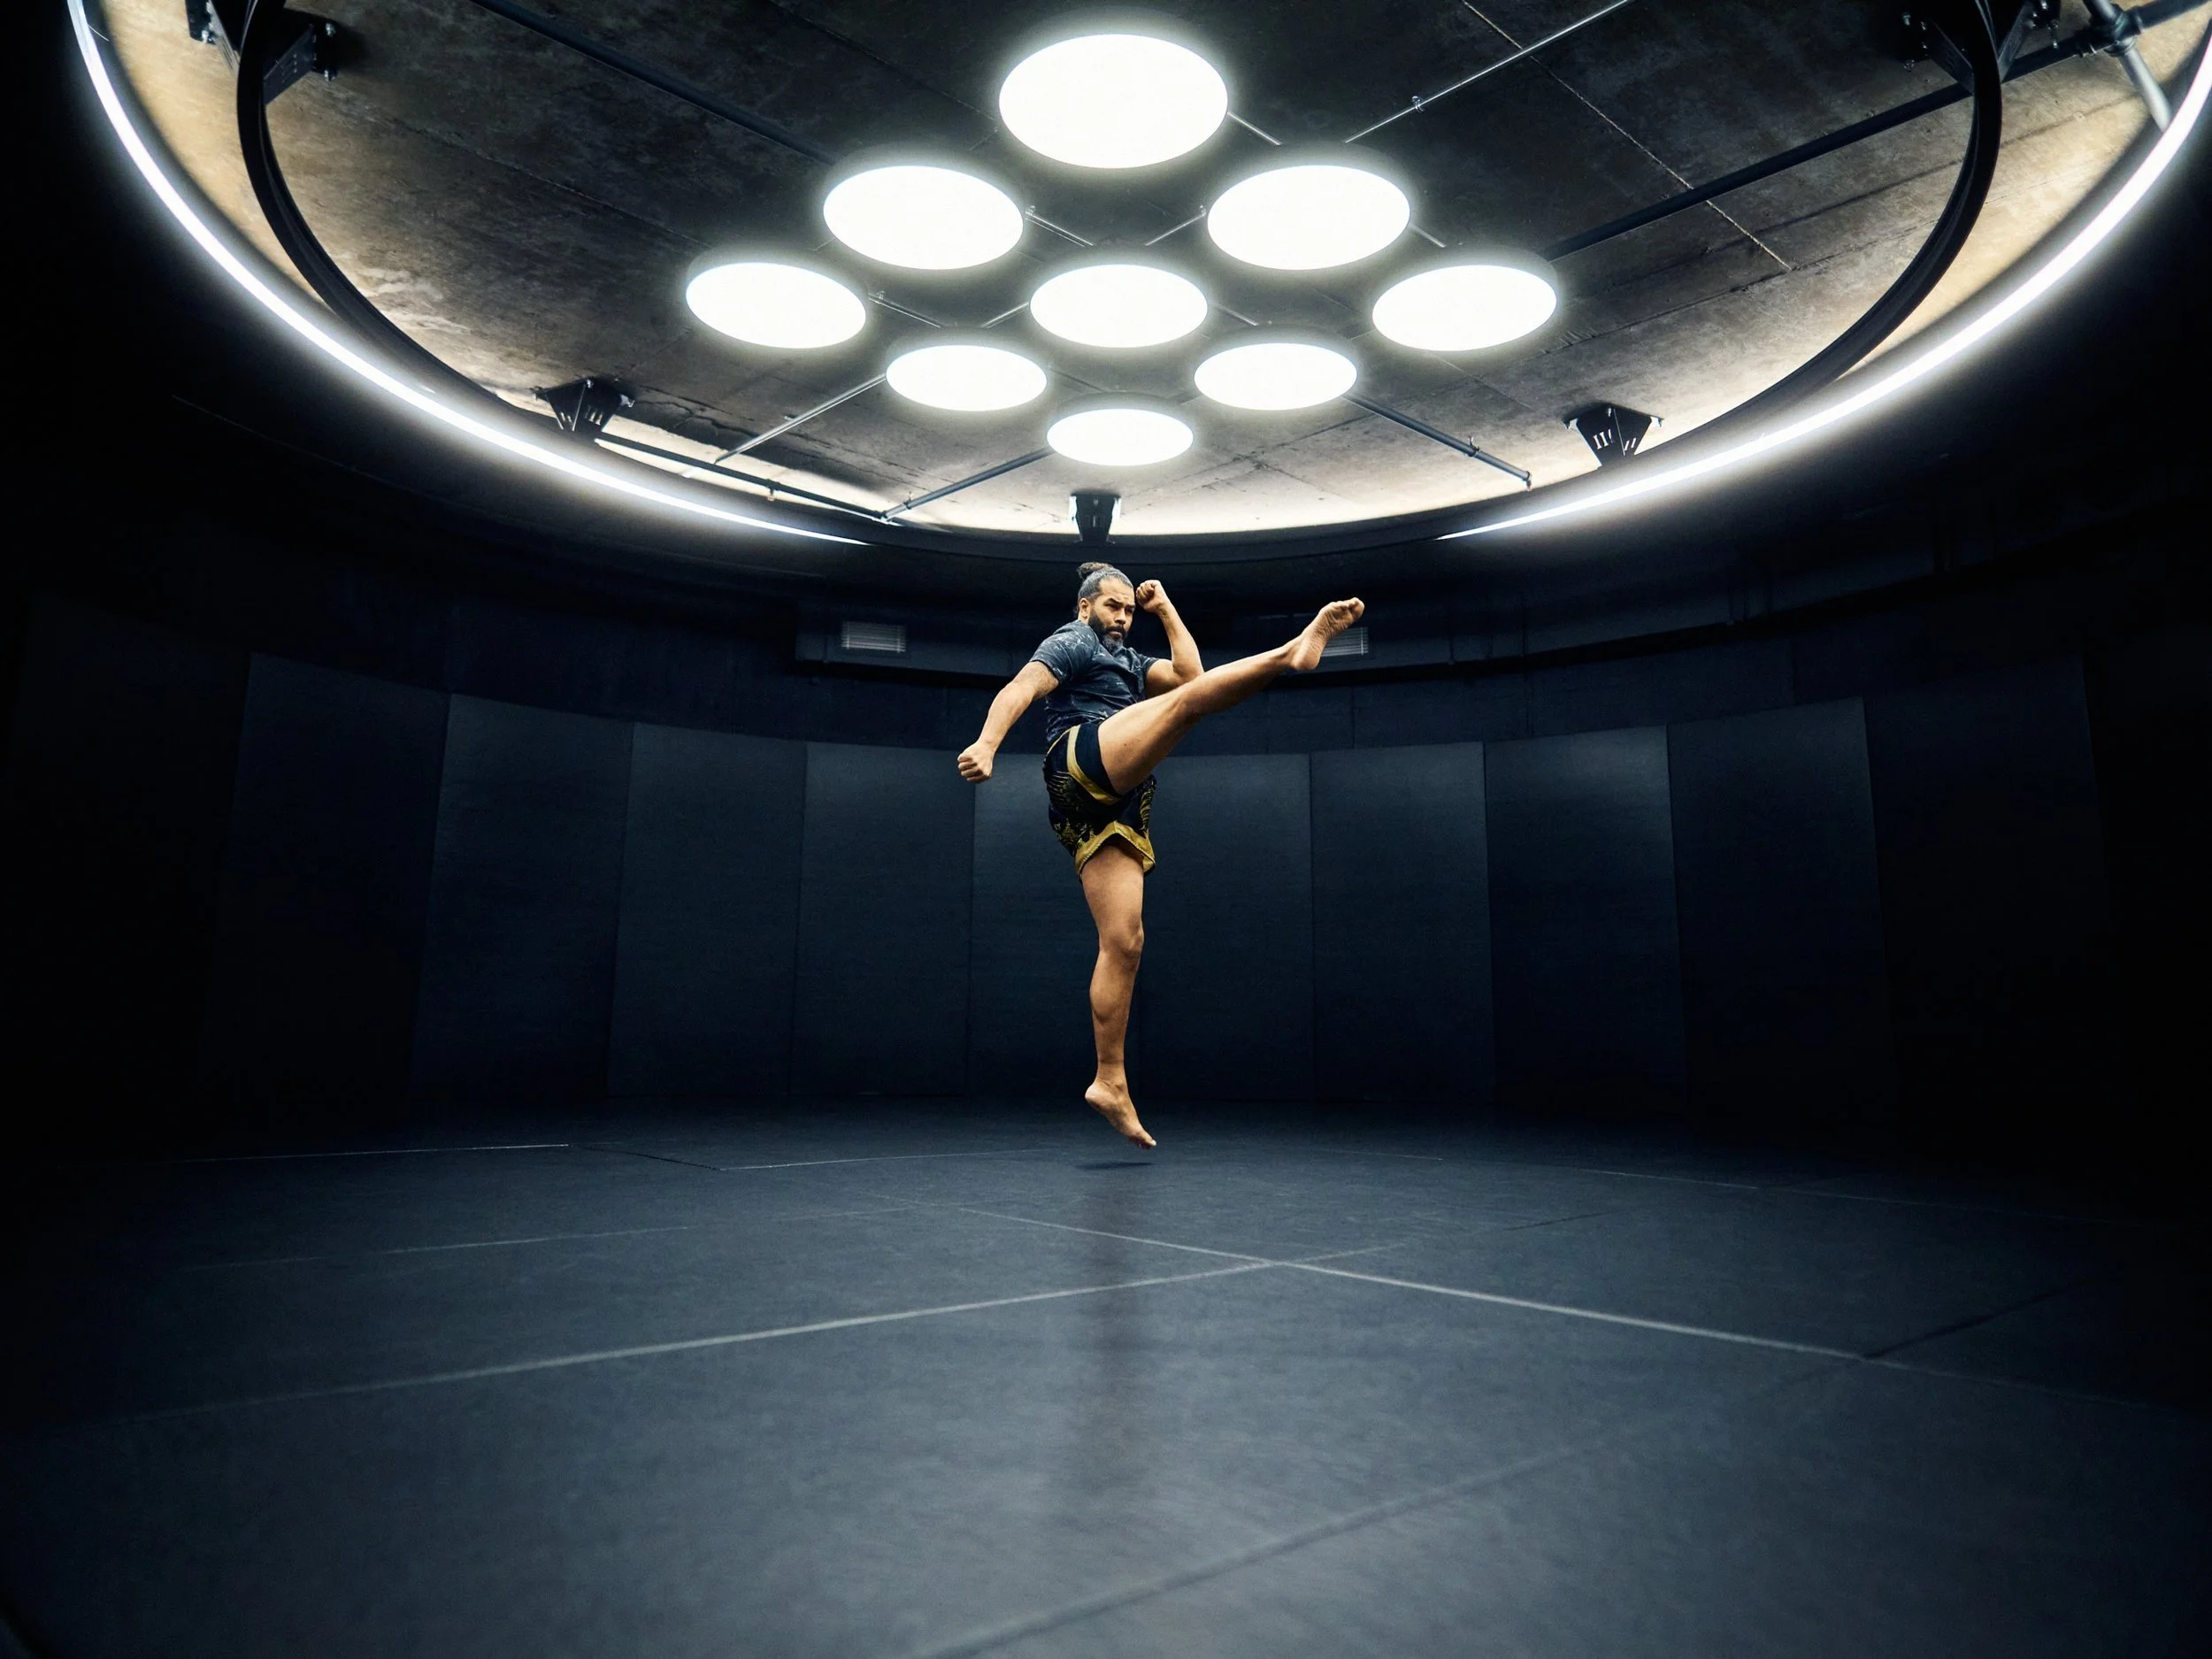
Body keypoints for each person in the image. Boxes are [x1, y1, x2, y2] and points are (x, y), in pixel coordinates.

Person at [956, 563, 1364, 1148]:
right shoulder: (1073, 640)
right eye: (1112, 607)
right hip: (1081, 759)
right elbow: (1022, 687)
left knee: (1124, 940)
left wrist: (1165, 606)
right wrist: (987, 743)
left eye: (1128, 609)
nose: (1122, 617)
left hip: (1107, 804)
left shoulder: (1126, 660)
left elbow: (1189, 675)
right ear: (1085, 608)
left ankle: (1110, 1080)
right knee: (1186, 708)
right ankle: (1292, 653)